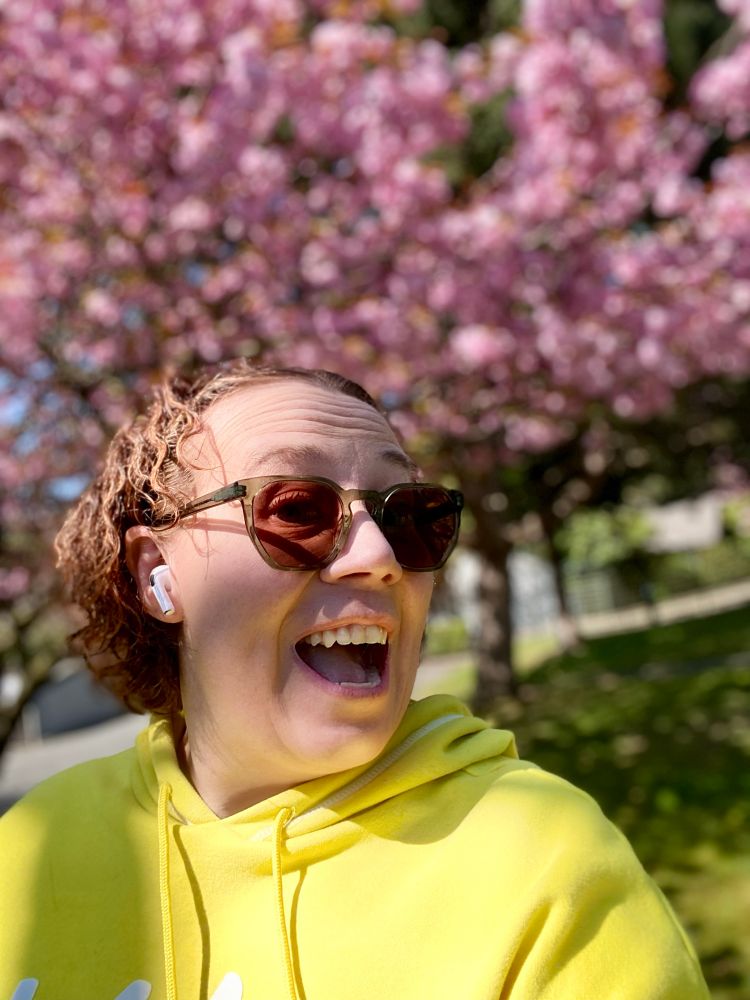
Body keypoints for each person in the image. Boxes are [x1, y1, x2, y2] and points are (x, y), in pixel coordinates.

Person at [0, 361, 708, 1000]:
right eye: (297, 510)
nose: (378, 555)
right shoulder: (28, 844)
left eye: (412, 517)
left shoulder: (547, 860)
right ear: (157, 573)